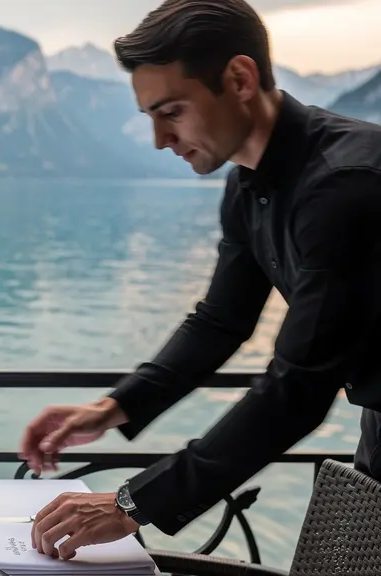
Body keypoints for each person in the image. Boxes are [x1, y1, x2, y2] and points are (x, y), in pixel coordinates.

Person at [20, 0, 381, 562]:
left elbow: (297, 390)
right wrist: (116, 407)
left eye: (172, 111)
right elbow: (221, 320)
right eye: (149, 117)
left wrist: (132, 504)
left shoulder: (344, 185)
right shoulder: (246, 184)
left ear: (239, 78)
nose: (160, 138)